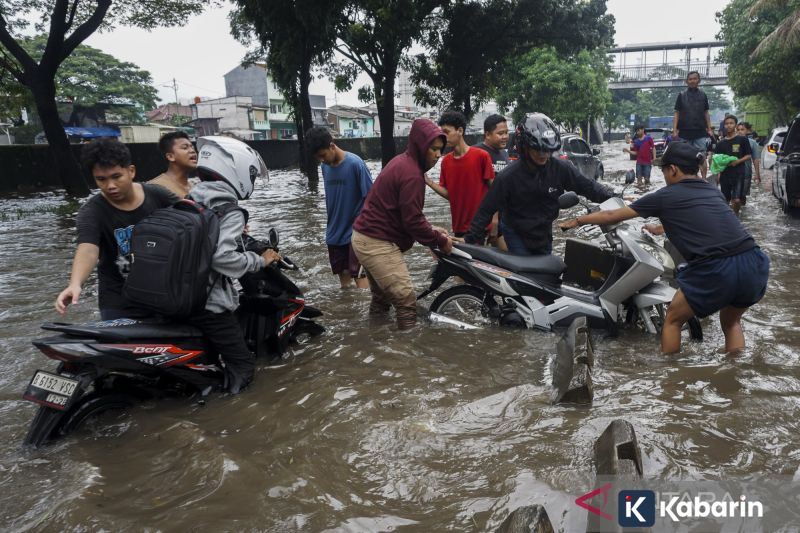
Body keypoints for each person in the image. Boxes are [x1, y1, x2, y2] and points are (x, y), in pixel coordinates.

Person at [559, 141, 769, 354]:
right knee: (731, 323)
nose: (665, 176)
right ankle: (735, 373)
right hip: (754, 262)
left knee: (673, 320)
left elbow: (612, 215)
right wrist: (660, 229)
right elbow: (704, 222)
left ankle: (671, 379)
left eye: (664, 170)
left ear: (673, 170)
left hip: (717, 268)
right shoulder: (710, 189)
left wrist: (579, 220)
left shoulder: (665, 196)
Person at [185, 136, 281, 394]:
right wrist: (260, 259)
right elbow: (222, 258)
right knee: (243, 366)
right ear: (236, 170)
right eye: (251, 173)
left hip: (180, 295)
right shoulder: (229, 210)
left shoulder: (191, 199)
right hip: (207, 302)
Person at [55, 139, 178, 320]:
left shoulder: (158, 195)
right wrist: (75, 284)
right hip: (119, 298)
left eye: (116, 176)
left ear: (131, 171)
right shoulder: (92, 212)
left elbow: (192, 219)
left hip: (163, 290)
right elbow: (88, 250)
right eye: (101, 179)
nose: (110, 186)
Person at [351, 119, 455, 330]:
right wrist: (440, 240)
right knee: (406, 302)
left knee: (381, 300)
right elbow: (412, 221)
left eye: (440, 150)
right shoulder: (412, 175)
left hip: (363, 238)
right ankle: (404, 356)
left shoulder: (401, 162)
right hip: (376, 242)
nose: (437, 155)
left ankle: (374, 341)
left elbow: (405, 214)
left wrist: (432, 230)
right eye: (433, 149)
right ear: (420, 146)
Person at [464, 113, 614, 255]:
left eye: (547, 149)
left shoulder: (561, 168)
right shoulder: (508, 177)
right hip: (516, 232)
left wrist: (614, 198)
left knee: (546, 274)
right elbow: (486, 210)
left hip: (543, 232)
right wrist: (468, 242)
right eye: (537, 149)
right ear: (525, 147)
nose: (543, 154)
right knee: (527, 275)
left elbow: (588, 187)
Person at [306, 126, 373, 289]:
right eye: (318, 158)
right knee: (344, 282)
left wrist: (365, 228)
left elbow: (372, 199)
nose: (322, 160)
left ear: (332, 145)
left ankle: (367, 314)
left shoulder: (356, 164)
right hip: (334, 233)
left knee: (359, 275)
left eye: (323, 155)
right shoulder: (324, 167)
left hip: (356, 232)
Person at [425, 110, 495, 238]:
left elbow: (496, 190)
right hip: (459, 227)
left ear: (460, 131)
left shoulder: (481, 156)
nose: (443, 137)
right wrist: (428, 181)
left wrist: (495, 222)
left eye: (446, 132)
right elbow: (451, 195)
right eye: (442, 133)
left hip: (482, 226)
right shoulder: (445, 161)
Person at [673, 71, 715, 179]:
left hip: (700, 132)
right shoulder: (681, 95)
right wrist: (674, 130)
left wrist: (709, 129)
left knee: (701, 156)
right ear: (686, 81)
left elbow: (706, 112)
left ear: (699, 81)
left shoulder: (703, 95)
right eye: (690, 79)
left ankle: (704, 179)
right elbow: (677, 113)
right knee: (685, 157)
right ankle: (690, 178)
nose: (692, 81)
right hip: (684, 132)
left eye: (695, 79)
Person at [713, 115, 751, 214]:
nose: (729, 125)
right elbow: (716, 160)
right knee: (725, 200)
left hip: (738, 173)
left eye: (731, 123)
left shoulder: (742, 139)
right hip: (725, 174)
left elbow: (748, 156)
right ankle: (728, 219)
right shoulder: (720, 143)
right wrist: (717, 175)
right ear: (724, 125)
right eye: (726, 123)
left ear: (735, 125)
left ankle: (735, 217)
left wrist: (738, 161)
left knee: (737, 200)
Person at [148, 131, 197, 197]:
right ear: (170, 157)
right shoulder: (155, 187)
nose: (192, 151)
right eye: (185, 147)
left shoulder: (195, 188)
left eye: (192, 147)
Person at [736, 122, 762, 205]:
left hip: (746, 173)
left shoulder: (752, 143)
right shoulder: (733, 142)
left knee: (743, 196)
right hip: (734, 173)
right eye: (738, 130)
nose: (740, 131)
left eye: (742, 129)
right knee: (735, 197)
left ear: (747, 131)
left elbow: (755, 159)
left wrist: (757, 175)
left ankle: (742, 215)